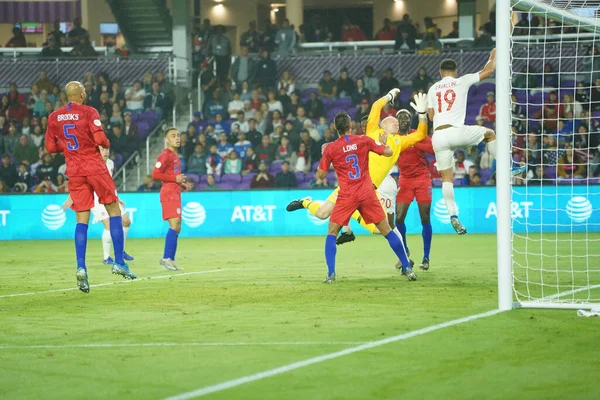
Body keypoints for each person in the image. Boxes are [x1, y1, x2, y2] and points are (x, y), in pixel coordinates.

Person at [286, 90, 428, 253]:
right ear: (382, 125)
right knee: (322, 213)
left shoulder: (399, 141)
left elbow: (421, 134)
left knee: (379, 229)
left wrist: (423, 114)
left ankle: (401, 258)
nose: (396, 122)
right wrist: (389, 96)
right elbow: (376, 106)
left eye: (397, 121)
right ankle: (306, 202)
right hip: (353, 185)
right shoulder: (373, 131)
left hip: (369, 190)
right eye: (392, 120)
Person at [45, 81, 136, 293]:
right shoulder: (89, 111)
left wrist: (68, 144)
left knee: (81, 219)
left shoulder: (54, 117)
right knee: (114, 210)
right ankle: (120, 262)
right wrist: (98, 141)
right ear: (82, 94)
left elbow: (50, 147)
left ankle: (81, 267)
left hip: (74, 170)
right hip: (94, 166)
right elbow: (102, 140)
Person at [315, 109, 419, 283]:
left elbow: (320, 175)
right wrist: (385, 142)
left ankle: (331, 274)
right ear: (350, 126)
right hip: (366, 192)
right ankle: (407, 267)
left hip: (347, 194)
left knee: (332, 233)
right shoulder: (363, 140)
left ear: (335, 128)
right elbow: (387, 152)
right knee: (386, 230)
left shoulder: (331, 148)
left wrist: (324, 155)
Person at [426, 49, 520, 234]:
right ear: (456, 70)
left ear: (440, 73)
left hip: (438, 136)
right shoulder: (462, 80)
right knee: (490, 134)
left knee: (447, 178)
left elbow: (430, 116)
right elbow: (488, 72)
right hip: (456, 131)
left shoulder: (432, 88)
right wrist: (492, 56)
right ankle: (506, 167)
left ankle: (453, 215)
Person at [63, 146, 134, 265]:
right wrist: (70, 198)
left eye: (107, 149)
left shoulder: (110, 163)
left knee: (126, 221)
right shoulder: (90, 164)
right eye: (102, 149)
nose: (106, 152)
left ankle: (120, 251)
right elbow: (79, 183)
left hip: (109, 196)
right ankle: (106, 257)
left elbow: (109, 182)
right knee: (108, 224)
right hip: (96, 199)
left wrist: (117, 197)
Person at [394, 109, 435, 271]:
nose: (403, 119)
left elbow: (431, 149)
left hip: (422, 179)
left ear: (410, 121)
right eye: (400, 117)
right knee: (399, 218)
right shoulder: (394, 138)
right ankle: (405, 250)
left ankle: (426, 257)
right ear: (397, 122)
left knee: (425, 217)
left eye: (406, 117)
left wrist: (411, 141)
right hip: (405, 180)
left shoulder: (418, 133)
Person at [152, 128, 193, 271]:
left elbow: (172, 177)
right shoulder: (165, 155)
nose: (177, 138)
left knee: (178, 226)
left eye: (178, 135)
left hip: (175, 192)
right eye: (173, 136)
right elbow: (155, 174)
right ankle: (166, 258)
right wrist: (175, 179)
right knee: (174, 224)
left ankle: (171, 259)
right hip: (168, 194)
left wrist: (181, 184)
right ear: (166, 140)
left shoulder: (176, 156)